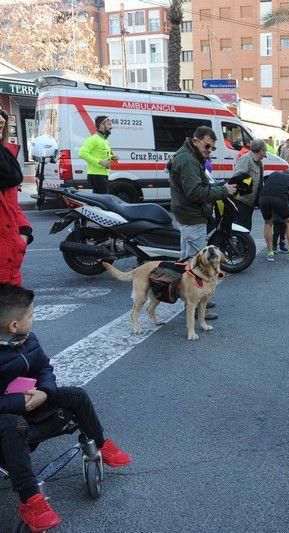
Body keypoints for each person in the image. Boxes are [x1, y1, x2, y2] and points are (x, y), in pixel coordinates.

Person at [0, 283, 132, 531]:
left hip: (32, 400)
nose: (34, 317)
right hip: (8, 414)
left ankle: (100, 444)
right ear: (13, 325)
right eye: (31, 314)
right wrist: (20, 403)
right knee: (11, 424)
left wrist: (45, 391)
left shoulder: (27, 339)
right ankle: (31, 499)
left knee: (76, 396)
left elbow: (44, 368)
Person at [169, 126, 237, 321]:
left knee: (188, 262)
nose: (209, 151)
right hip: (191, 216)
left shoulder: (191, 157)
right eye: (207, 146)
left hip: (190, 215)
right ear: (196, 141)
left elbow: (199, 186)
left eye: (212, 148)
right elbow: (195, 192)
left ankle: (193, 298)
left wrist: (218, 186)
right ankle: (197, 306)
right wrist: (224, 191)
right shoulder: (188, 160)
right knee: (197, 265)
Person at [0, 109, 31, 287]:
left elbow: (13, 207)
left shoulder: (7, 161)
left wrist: (24, 233)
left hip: (11, 265)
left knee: (16, 315)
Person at [260, 168, 289, 262]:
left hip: (263, 198)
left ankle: (270, 253)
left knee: (268, 223)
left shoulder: (273, 174)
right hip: (279, 199)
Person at [231, 139, 267, 231]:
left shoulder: (260, 163)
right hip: (241, 201)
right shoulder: (246, 159)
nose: (265, 153)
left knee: (246, 229)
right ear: (261, 150)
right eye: (265, 150)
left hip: (250, 203)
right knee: (241, 230)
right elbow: (237, 177)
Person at [78, 115, 117, 194]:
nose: (111, 127)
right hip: (96, 175)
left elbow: (104, 157)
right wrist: (99, 162)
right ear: (102, 125)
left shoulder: (105, 141)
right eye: (109, 124)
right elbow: (82, 153)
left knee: (99, 202)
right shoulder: (92, 139)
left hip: (103, 174)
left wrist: (112, 158)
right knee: (103, 201)